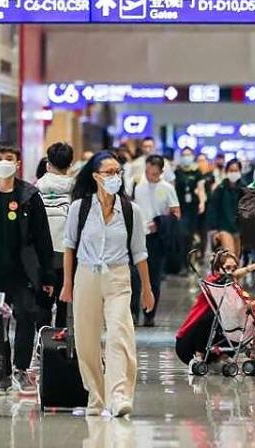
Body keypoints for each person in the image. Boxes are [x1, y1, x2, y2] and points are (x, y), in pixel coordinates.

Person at [60, 150, 153, 417]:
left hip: (118, 276)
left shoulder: (130, 210)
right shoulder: (80, 208)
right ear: (95, 176)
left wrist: (147, 288)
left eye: (117, 172)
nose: (115, 177)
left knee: (118, 334)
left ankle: (119, 395)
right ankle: (96, 397)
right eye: (109, 172)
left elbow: (140, 252)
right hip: (86, 276)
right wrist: (67, 284)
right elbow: (68, 247)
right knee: (86, 341)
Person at [0, 143, 55, 397]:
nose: (3, 162)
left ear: (17, 164)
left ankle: (21, 368)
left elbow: (42, 237)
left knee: (27, 315)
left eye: (8, 158)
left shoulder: (29, 197)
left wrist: (47, 273)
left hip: (23, 273)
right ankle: (1, 374)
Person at [132, 154, 180, 327]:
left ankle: (149, 314)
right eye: (148, 172)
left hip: (156, 238)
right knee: (134, 277)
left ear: (161, 172)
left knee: (153, 278)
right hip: (137, 235)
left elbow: (176, 213)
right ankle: (133, 313)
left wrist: (159, 223)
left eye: (154, 173)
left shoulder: (167, 188)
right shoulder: (137, 184)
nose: (150, 176)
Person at [35, 142, 75, 329]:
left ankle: (41, 341)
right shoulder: (77, 192)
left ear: (47, 164)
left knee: (42, 303)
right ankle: (60, 344)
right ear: (70, 165)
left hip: (41, 257)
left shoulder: (34, 190)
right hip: (67, 256)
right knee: (64, 303)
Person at [206, 159, 244, 257]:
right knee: (230, 256)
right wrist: (213, 229)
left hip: (240, 228)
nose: (234, 173)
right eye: (231, 170)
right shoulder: (220, 189)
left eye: (236, 171)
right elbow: (213, 208)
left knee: (237, 258)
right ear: (226, 171)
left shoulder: (244, 189)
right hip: (224, 227)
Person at [174, 147, 206, 262]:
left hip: (193, 206)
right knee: (182, 234)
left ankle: (189, 260)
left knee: (191, 233)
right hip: (181, 206)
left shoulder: (197, 172)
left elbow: (200, 188)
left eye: (189, 155)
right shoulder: (177, 171)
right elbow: (173, 188)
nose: (186, 157)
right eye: (184, 155)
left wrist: (202, 202)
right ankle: (182, 261)